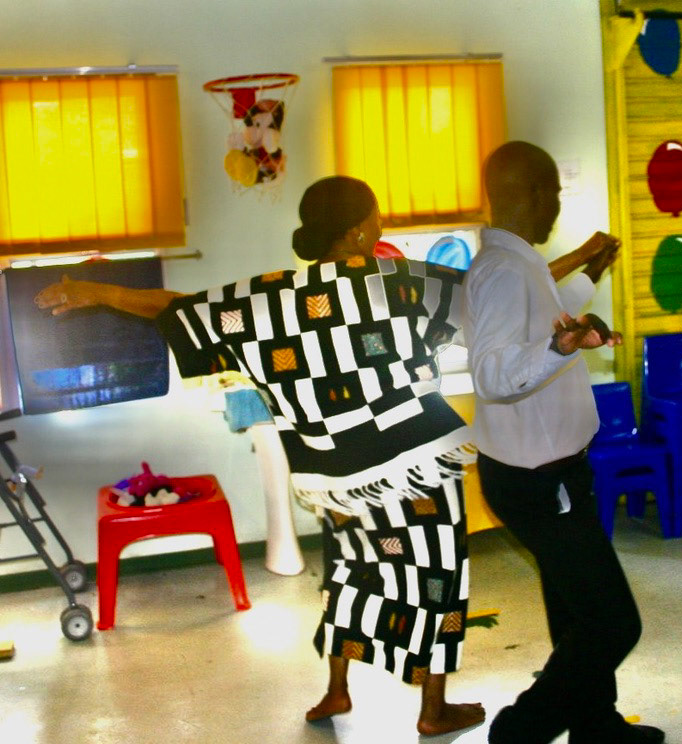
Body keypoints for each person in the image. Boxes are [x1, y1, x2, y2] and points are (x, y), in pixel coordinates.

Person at [34, 176, 486, 736]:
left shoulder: (273, 296)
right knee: (435, 576)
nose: (380, 227)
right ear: (358, 230)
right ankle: (432, 708)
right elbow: (493, 296)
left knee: (352, 574)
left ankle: (337, 691)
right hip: (417, 463)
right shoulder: (400, 280)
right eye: (375, 217)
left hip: (337, 479)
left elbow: (180, 308)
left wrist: (98, 291)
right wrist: (570, 268)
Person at [463, 140, 664, 744]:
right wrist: (561, 346)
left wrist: (586, 287)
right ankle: (521, 732)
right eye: (552, 191)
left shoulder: (516, 261)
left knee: (576, 612)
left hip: (544, 472)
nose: (556, 204)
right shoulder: (502, 270)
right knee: (612, 623)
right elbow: (493, 374)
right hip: (540, 479)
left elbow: (541, 318)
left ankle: (595, 726)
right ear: (529, 193)